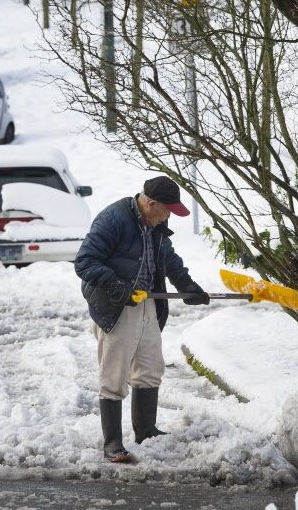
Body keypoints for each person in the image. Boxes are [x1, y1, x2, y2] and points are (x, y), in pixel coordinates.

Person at [74, 175, 210, 463]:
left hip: (147, 301)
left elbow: (168, 258)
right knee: (115, 373)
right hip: (116, 304)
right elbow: (85, 261)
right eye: (167, 210)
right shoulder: (114, 219)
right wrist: (116, 287)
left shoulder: (156, 224)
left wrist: (187, 286)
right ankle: (112, 443)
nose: (169, 216)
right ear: (150, 204)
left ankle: (146, 431)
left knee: (150, 367)